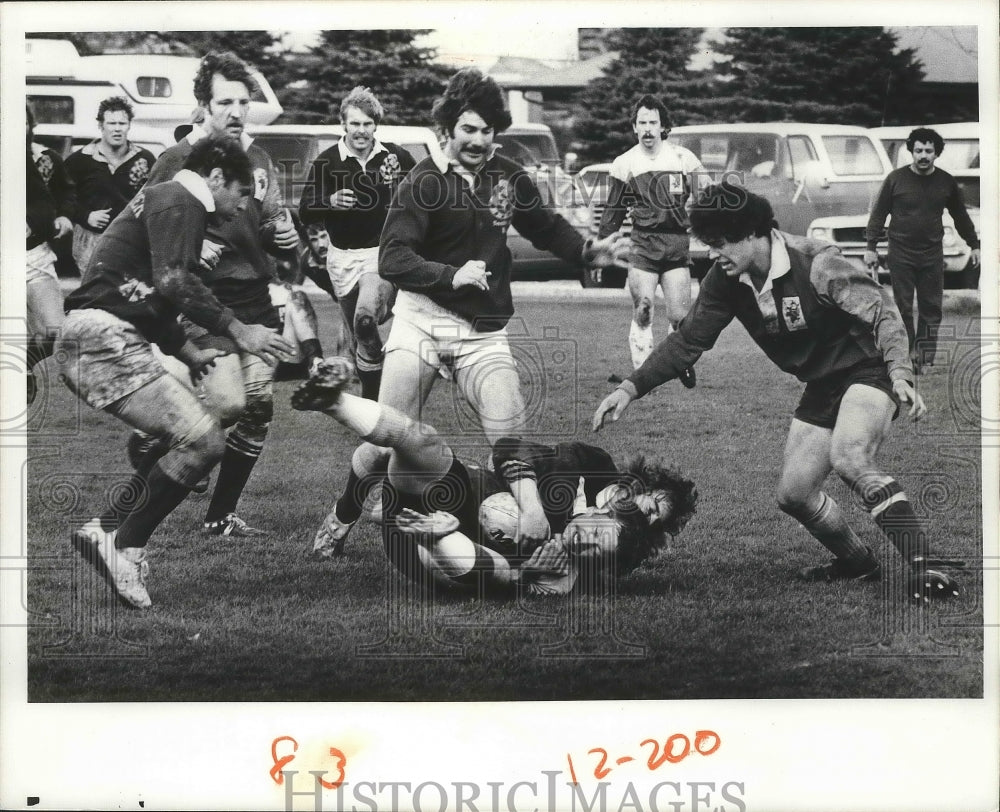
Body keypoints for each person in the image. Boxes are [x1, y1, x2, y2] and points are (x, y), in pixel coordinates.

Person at [593, 182, 962, 604]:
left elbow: (884, 314)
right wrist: (630, 387)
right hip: (822, 384)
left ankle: (929, 565)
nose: (713, 253)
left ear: (752, 233)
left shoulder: (818, 264)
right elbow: (688, 340)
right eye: (708, 244)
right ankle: (858, 564)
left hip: (869, 369)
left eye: (719, 243)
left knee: (850, 455)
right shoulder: (725, 279)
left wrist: (900, 374)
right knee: (794, 495)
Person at [311, 68, 626, 557]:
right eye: (468, 130)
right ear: (448, 130)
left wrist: (589, 252)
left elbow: (544, 227)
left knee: (509, 427)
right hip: (420, 320)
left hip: (480, 331)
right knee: (386, 441)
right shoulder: (423, 180)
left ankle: (532, 517)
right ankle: (343, 515)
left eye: (487, 131)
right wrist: (449, 274)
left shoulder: (508, 176)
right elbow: (393, 258)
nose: (479, 141)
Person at [57, 136, 288, 609]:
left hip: (103, 336)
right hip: (104, 338)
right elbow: (173, 282)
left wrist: (188, 352)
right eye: (241, 193)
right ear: (217, 178)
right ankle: (123, 543)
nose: (243, 205)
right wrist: (240, 331)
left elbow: (144, 294)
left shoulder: (167, 201)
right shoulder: (179, 197)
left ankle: (106, 529)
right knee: (204, 441)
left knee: (195, 436)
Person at [292, 357, 697, 593]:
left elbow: (515, 580)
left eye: (648, 522)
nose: (640, 514)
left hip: (433, 542)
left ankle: (432, 537)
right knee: (405, 445)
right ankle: (333, 404)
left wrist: (533, 572)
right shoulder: (584, 466)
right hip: (460, 492)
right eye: (647, 504)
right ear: (636, 484)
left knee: (494, 571)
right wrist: (532, 508)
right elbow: (506, 449)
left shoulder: (578, 567)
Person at [143, 51, 300, 538]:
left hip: (256, 302)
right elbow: (147, 227)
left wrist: (284, 232)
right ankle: (156, 443)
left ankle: (219, 515)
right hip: (203, 305)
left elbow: (269, 216)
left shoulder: (258, 157)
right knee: (230, 404)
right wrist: (195, 241)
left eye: (242, 101)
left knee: (258, 410)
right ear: (203, 107)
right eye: (224, 102)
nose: (235, 111)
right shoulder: (175, 159)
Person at [298, 86, 416, 400]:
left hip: (379, 256)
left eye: (367, 124)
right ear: (344, 125)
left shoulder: (394, 156)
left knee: (365, 319)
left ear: (375, 125)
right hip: (341, 259)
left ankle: (372, 399)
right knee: (356, 328)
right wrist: (330, 201)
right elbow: (304, 210)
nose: (360, 131)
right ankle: (369, 385)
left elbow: (424, 190)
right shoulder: (328, 161)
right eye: (354, 124)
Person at [598, 94, 705, 387]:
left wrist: (709, 226)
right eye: (642, 122)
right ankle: (643, 375)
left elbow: (708, 198)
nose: (647, 129)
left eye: (652, 122)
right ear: (634, 127)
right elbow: (613, 212)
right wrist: (600, 249)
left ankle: (679, 362)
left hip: (675, 245)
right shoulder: (624, 163)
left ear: (662, 126)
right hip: (643, 246)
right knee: (643, 309)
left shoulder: (684, 159)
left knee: (680, 318)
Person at [865, 127, 980, 374]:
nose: (923, 155)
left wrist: (974, 244)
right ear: (911, 151)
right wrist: (871, 247)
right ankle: (906, 356)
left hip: (931, 253)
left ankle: (924, 358)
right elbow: (878, 214)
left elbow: (960, 216)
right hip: (900, 252)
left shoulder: (946, 182)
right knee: (903, 306)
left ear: (936, 153)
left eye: (929, 150)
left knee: (931, 307)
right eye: (918, 150)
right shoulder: (895, 179)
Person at [64, 95, 156, 272]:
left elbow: (155, 197)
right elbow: (63, 198)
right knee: (96, 293)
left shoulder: (145, 158)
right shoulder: (80, 160)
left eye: (122, 124)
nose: (117, 129)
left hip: (132, 240)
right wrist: (86, 215)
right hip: (90, 242)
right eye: (111, 123)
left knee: (128, 292)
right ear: (101, 126)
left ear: (129, 125)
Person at [25, 104, 76, 404]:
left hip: (36, 255)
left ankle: (23, 364)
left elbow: (66, 192)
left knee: (56, 330)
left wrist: (66, 216)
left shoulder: (45, 158)